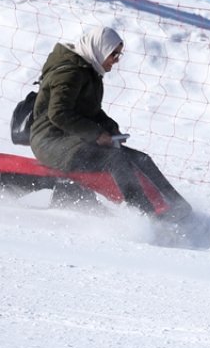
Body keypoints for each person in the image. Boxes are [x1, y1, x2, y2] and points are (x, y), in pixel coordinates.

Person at [29, 25, 192, 221]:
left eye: (119, 54)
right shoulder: (70, 73)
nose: (116, 59)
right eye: (113, 53)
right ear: (100, 49)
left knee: (142, 159)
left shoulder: (88, 70)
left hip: (71, 139)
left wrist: (109, 127)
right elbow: (59, 113)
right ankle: (145, 216)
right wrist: (97, 135)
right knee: (117, 160)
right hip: (51, 141)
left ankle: (181, 209)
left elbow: (90, 110)